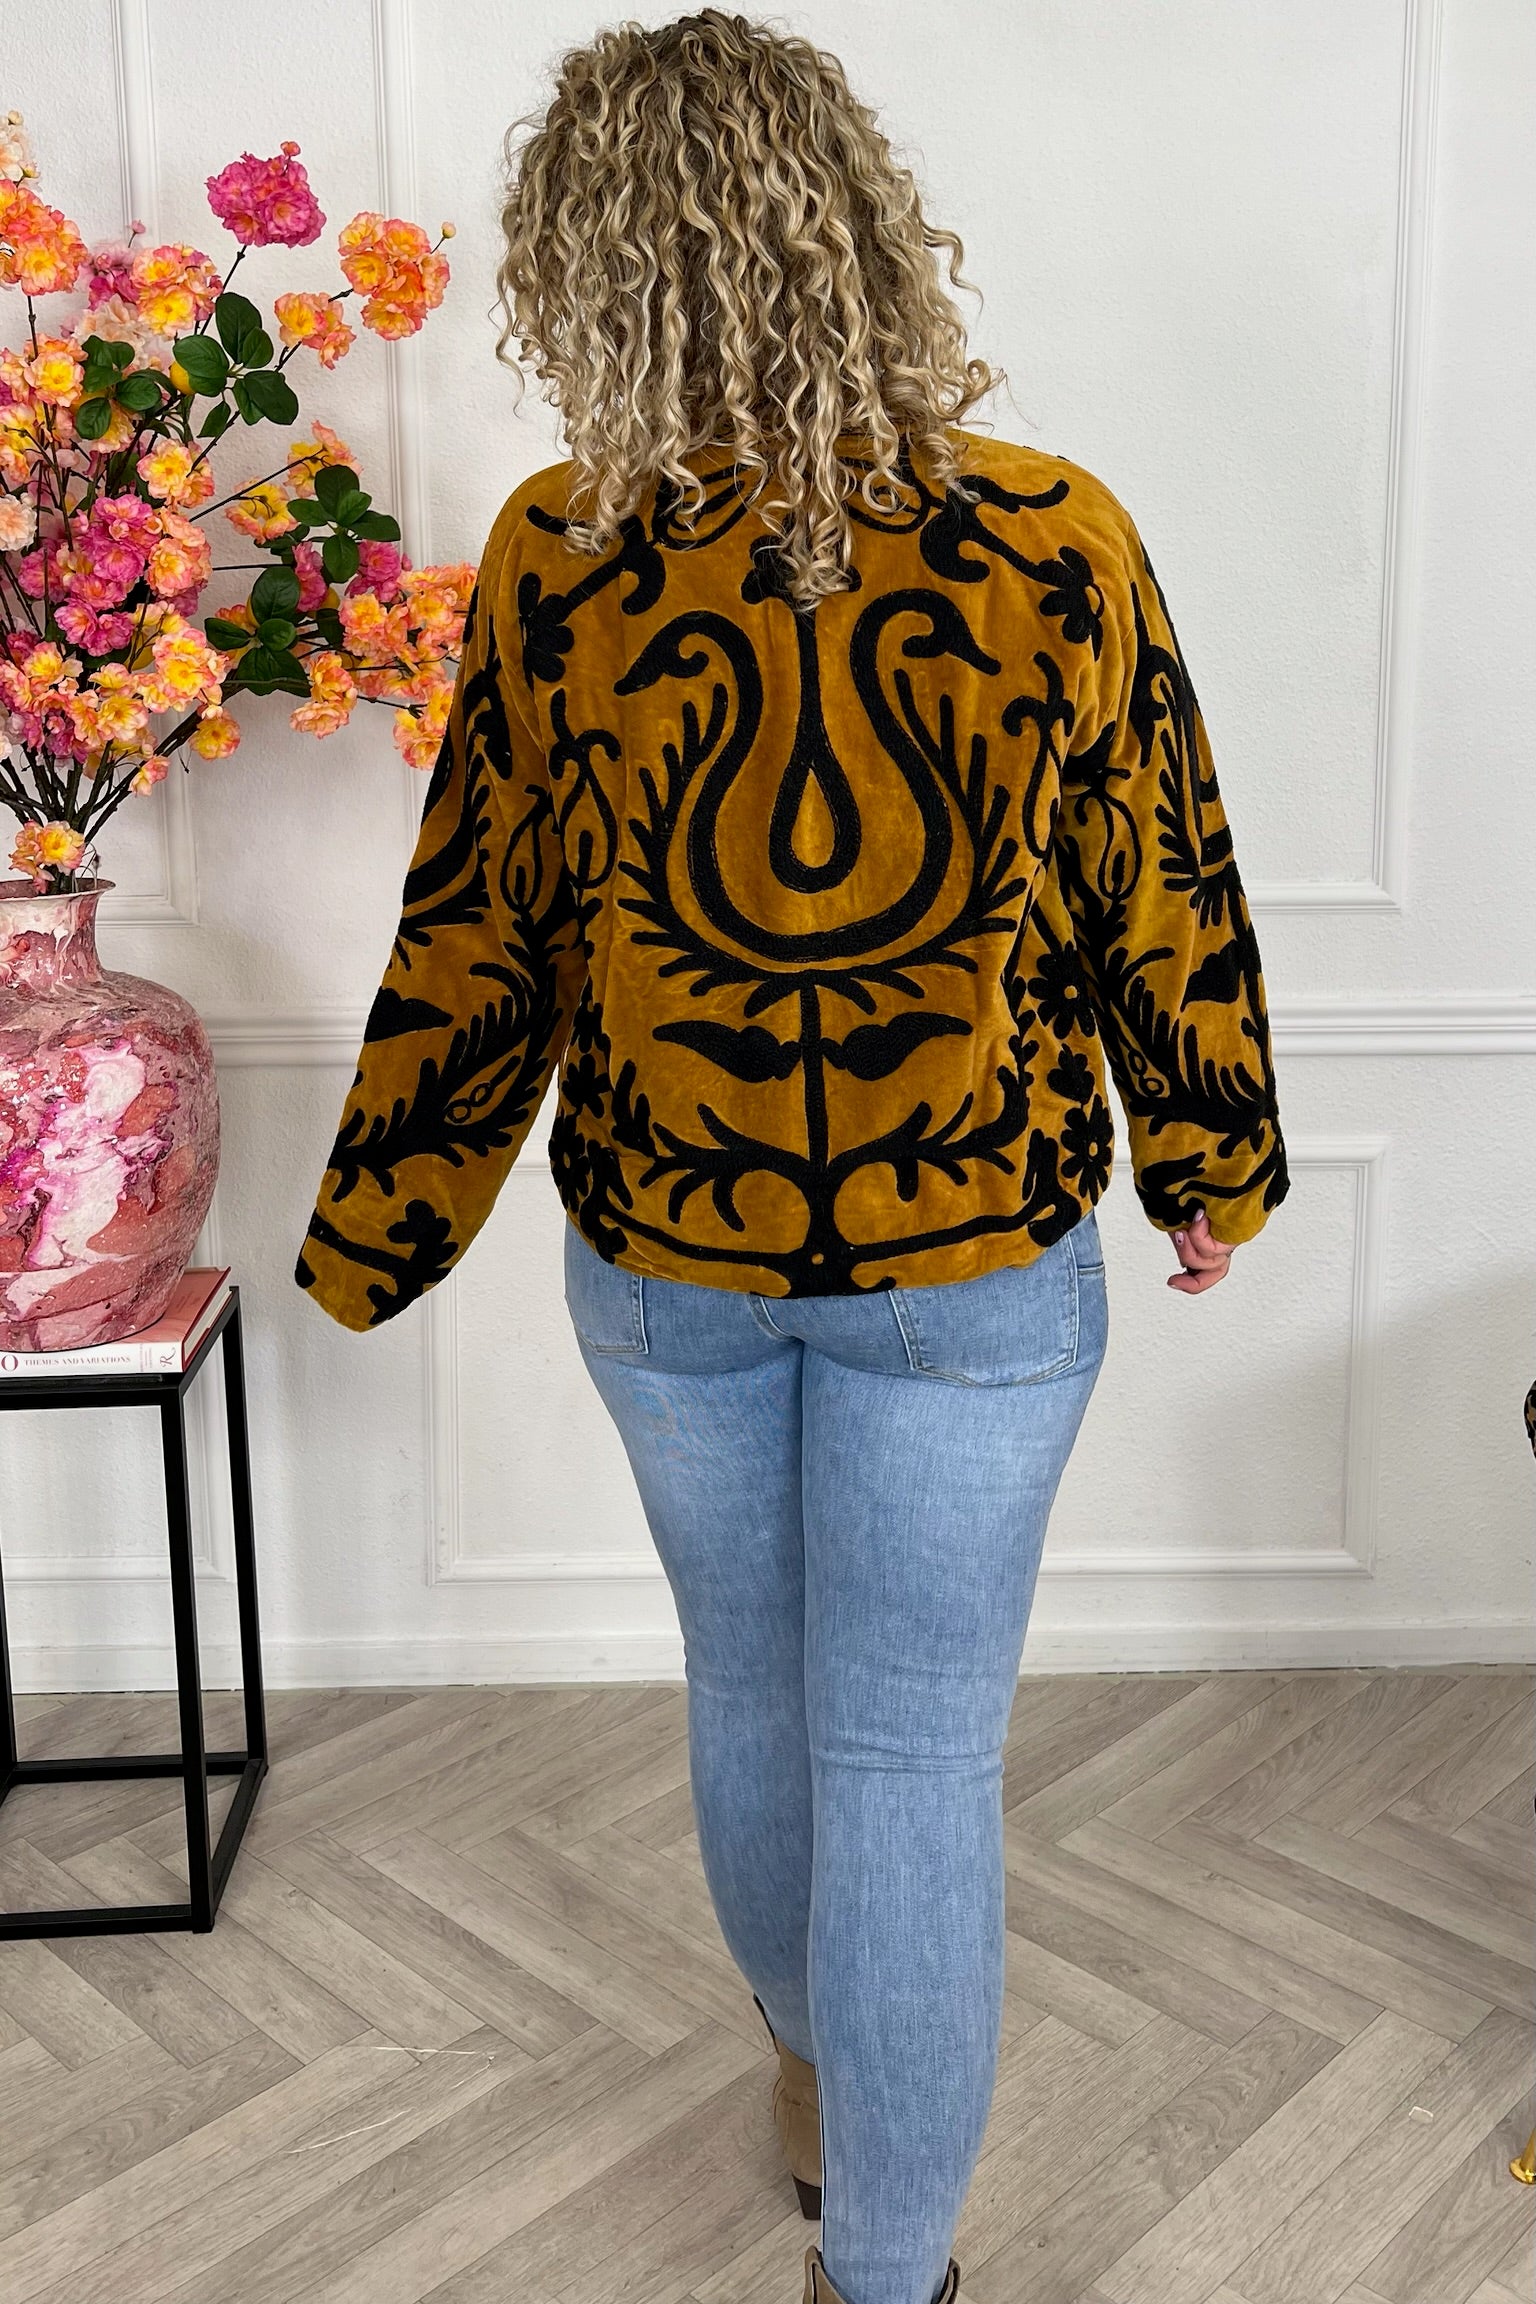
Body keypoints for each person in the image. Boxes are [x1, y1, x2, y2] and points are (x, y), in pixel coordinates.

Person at [294, 13, 1288, 2302]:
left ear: (589, 267)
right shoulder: (1053, 535)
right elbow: (1159, 871)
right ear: (859, 225)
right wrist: (1208, 1155)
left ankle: (832, 2084)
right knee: (913, 1759)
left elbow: (483, 931)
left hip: (674, 1247)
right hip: (975, 1251)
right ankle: (887, 2273)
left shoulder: (564, 554)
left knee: (753, 1693)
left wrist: (374, 1235)